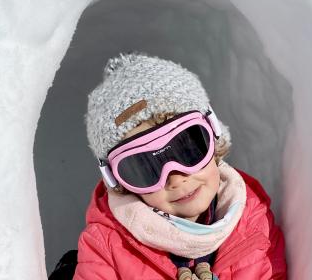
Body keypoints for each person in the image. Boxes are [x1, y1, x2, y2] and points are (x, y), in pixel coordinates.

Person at [73, 51, 287, 280]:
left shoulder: (254, 219)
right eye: (147, 168)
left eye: (187, 150)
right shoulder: (105, 247)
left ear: (213, 138)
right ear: (120, 183)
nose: (175, 178)